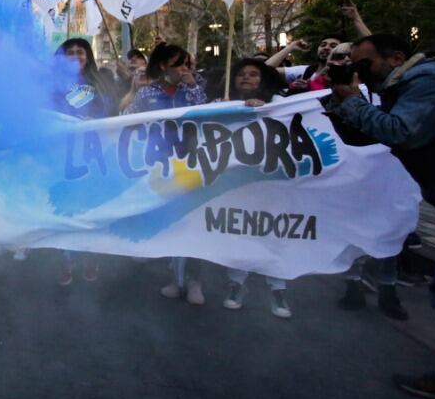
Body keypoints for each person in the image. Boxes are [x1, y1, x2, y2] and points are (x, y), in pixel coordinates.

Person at [321, 34, 435, 399]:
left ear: (397, 58)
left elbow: (399, 132)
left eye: (364, 64)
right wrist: (335, 101)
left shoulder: (426, 82)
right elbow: (362, 135)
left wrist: (352, 99)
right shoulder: (397, 85)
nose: (358, 72)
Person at [123, 43, 210, 304]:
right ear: (163, 66)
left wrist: (192, 85)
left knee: (193, 222)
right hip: (159, 165)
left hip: (193, 164)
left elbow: (205, 113)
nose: (184, 69)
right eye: (178, 64)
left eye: (187, 64)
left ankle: (194, 281)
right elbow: (126, 119)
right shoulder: (148, 93)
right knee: (170, 219)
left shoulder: (196, 86)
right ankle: (176, 279)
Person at [215, 59, 295, 318]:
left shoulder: (280, 106)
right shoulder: (219, 105)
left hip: (273, 184)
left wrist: (263, 110)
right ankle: (236, 283)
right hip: (235, 185)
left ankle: (278, 288)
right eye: (240, 75)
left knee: (274, 233)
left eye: (253, 75)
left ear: (264, 81)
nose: (246, 79)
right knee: (238, 233)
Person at [51, 38, 115, 285]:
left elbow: (113, 113)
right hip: (63, 156)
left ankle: (91, 255)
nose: (76, 56)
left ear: (88, 56)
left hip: (96, 155)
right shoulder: (53, 85)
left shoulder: (102, 82)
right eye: (70, 52)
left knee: (93, 206)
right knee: (66, 206)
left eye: (81, 51)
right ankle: (66, 258)